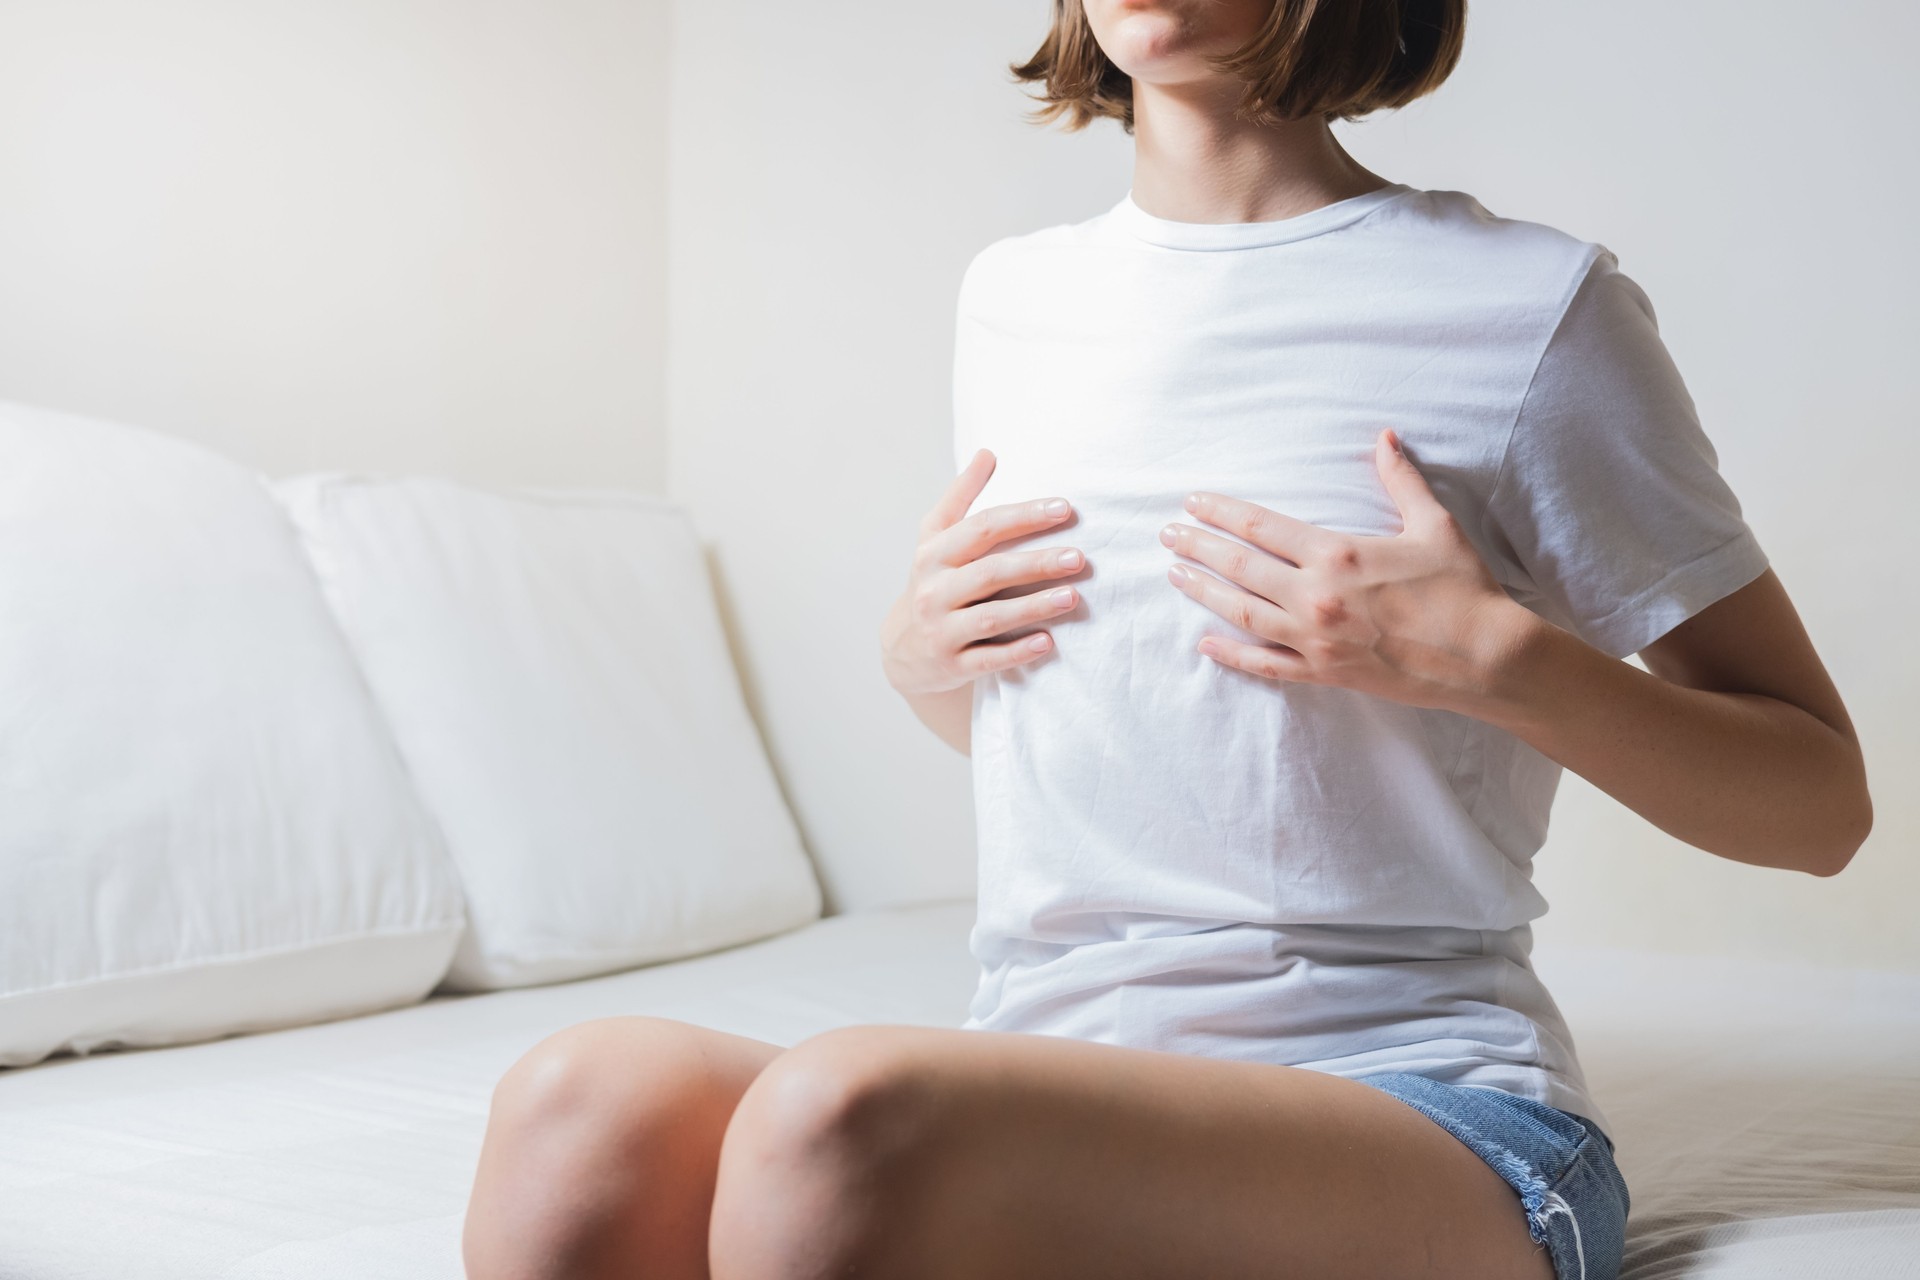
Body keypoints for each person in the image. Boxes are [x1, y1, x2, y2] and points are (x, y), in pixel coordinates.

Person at [461, 3, 1872, 1277]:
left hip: (1418, 1107)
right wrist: (929, 674)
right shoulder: (1016, 300)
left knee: (841, 1113)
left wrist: (1496, 661)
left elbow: (1819, 805)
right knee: (579, 1100)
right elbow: (1149, 750)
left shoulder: (1531, 313)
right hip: (1044, 1071)